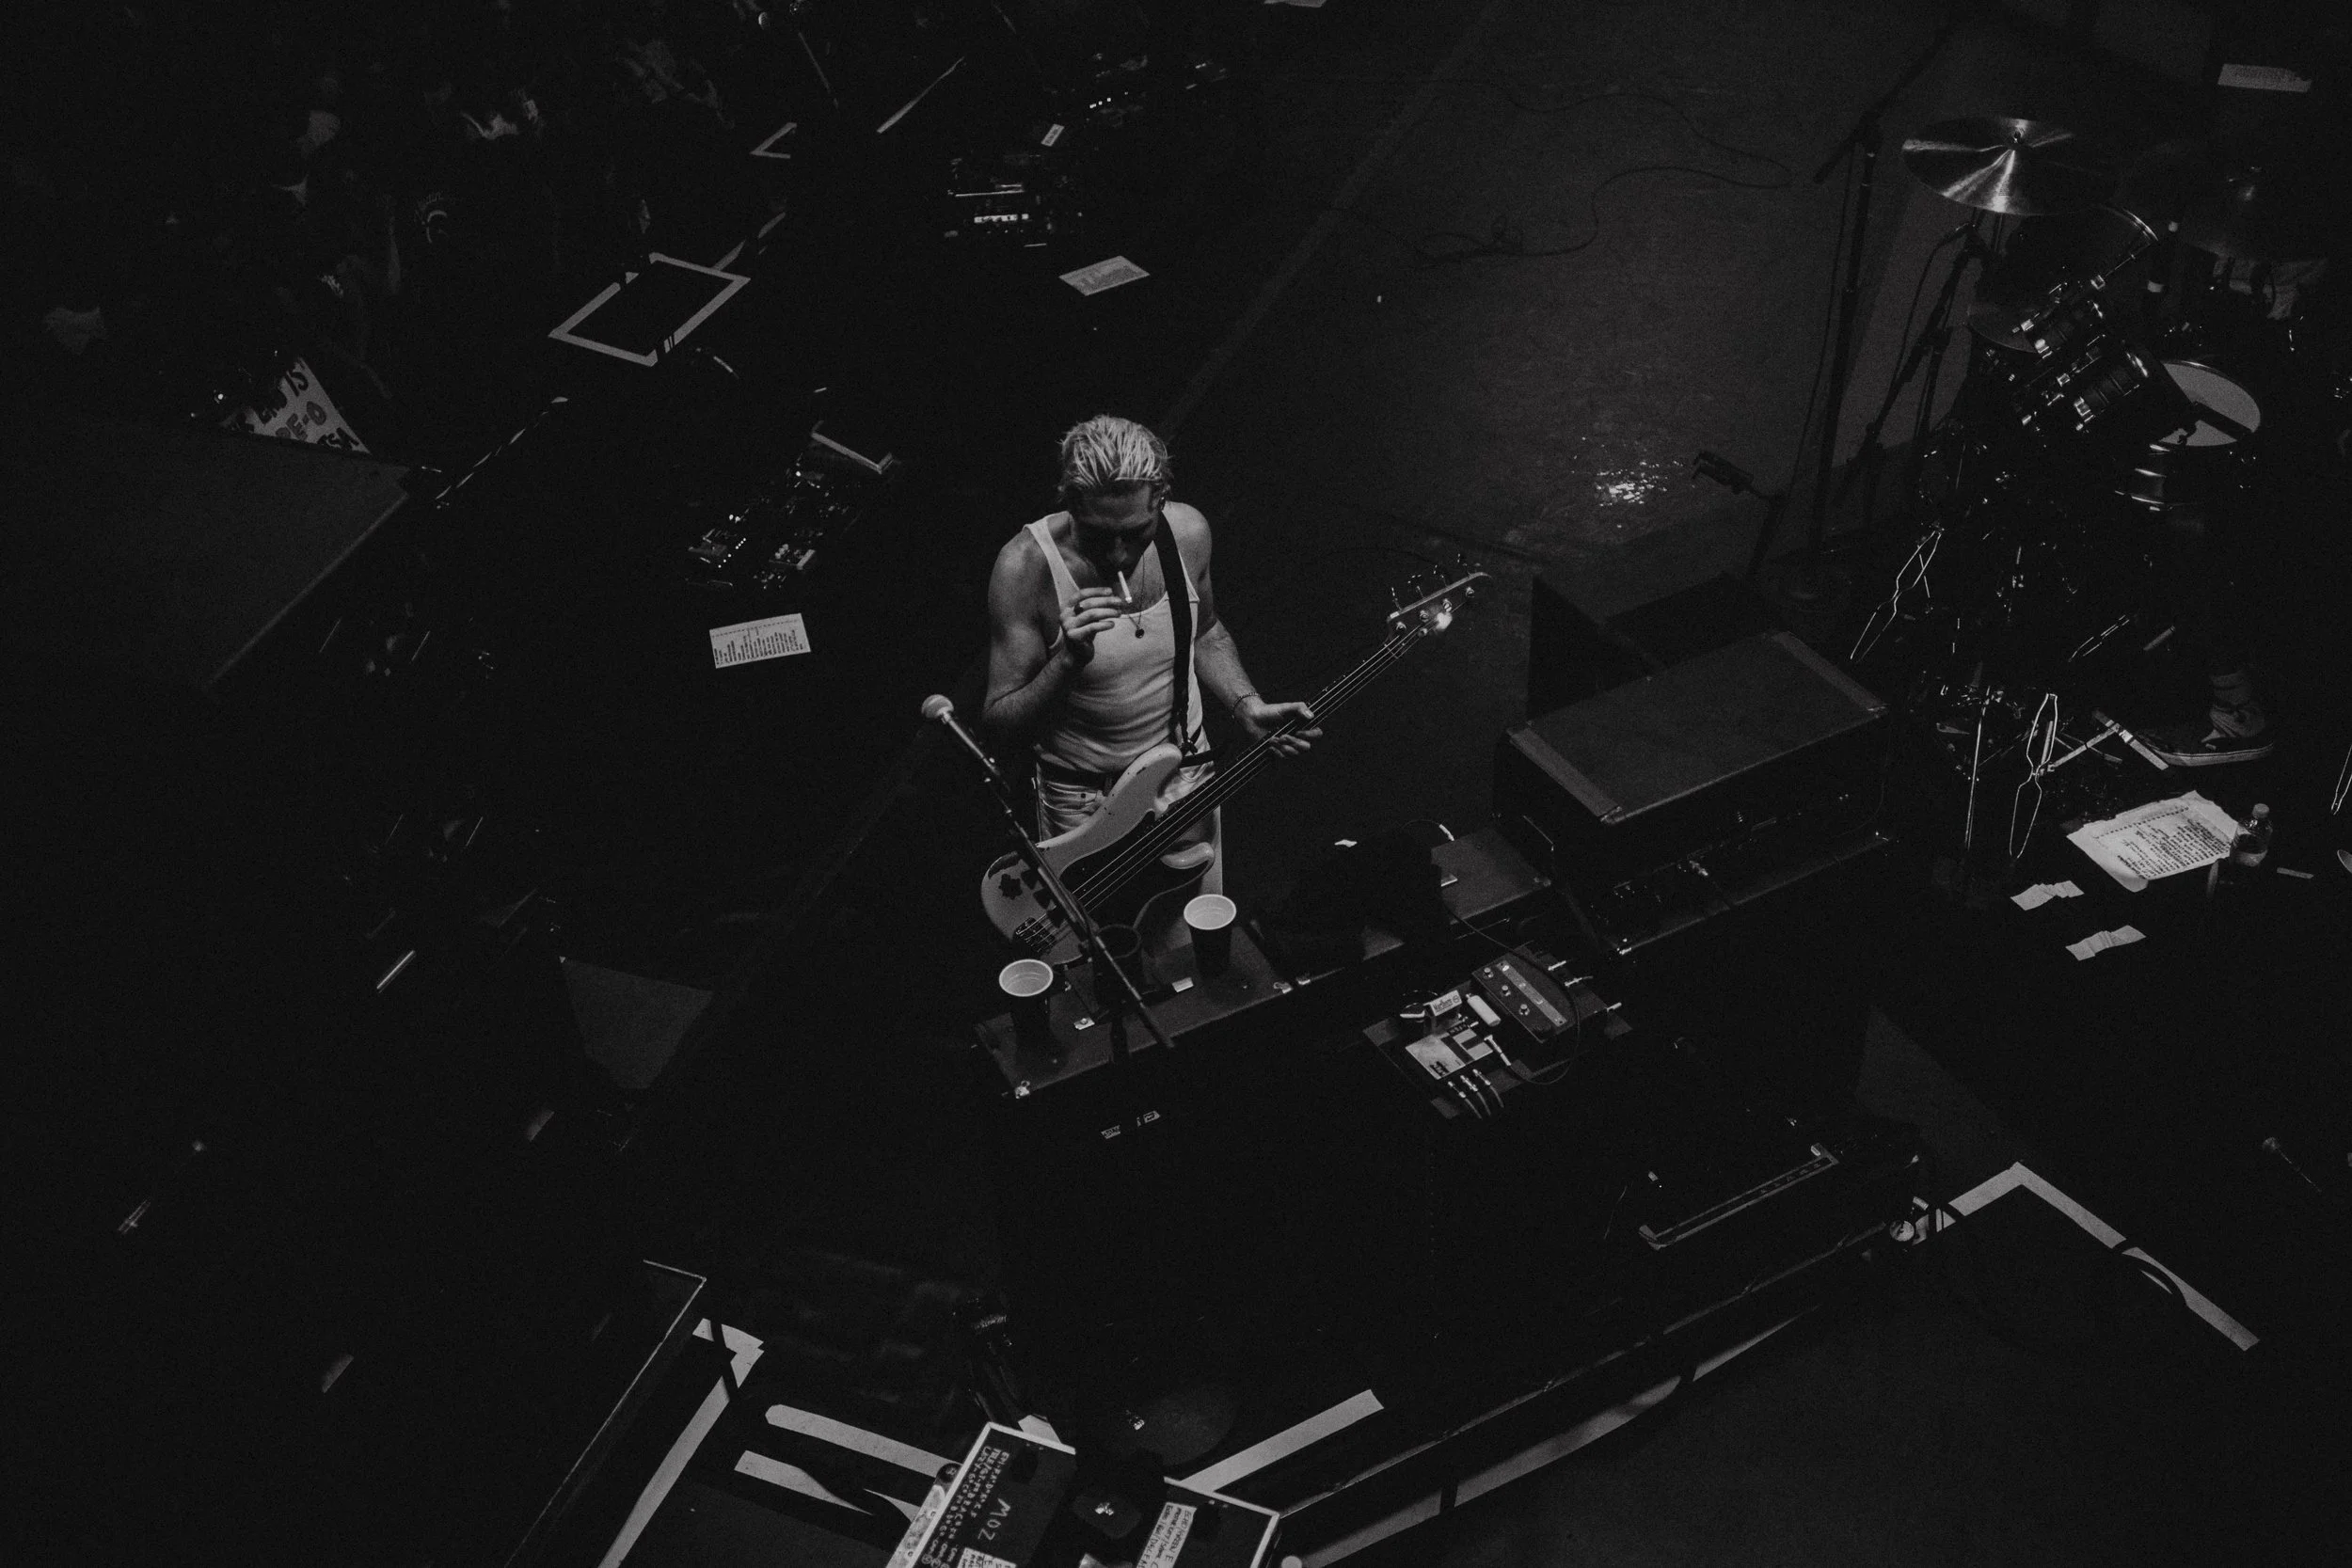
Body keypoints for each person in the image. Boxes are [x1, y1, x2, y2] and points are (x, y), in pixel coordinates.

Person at [981, 416, 1319, 883]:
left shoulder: (1188, 533)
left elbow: (1206, 631)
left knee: (1190, 939)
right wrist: (1066, 661)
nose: (1119, 555)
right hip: (1086, 805)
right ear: (1071, 504)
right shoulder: (1024, 569)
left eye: (1136, 532)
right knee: (1102, 945)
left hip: (1184, 780)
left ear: (1160, 499)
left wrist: (1246, 705)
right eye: (1099, 535)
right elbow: (1000, 724)